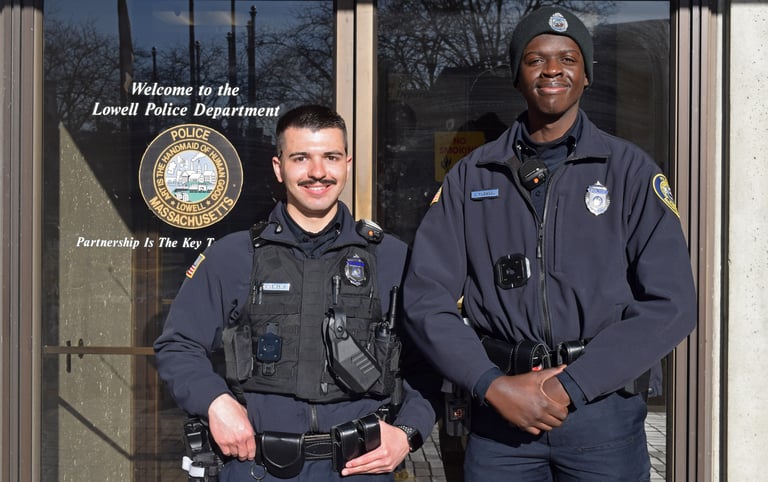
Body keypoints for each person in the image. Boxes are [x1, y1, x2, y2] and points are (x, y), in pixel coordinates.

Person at [402, 7, 696, 481]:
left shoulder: (630, 172)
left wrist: (569, 387)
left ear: (586, 75)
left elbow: (672, 304)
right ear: (518, 75)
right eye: (536, 58)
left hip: (602, 416)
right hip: (502, 423)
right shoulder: (471, 177)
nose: (553, 69)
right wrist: (490, 385)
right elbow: (425, 298)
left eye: (568, 58)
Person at [155, 105, 435, 481]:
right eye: (300, 157)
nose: (317, 172)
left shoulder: (391, 257)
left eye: (330, 157)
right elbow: (178, 345)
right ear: (278, 166)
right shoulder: (233, 256)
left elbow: (430, 362)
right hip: (257, 467)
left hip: (359, 469)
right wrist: (215, 403)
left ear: (347, 163)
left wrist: (407, 432)